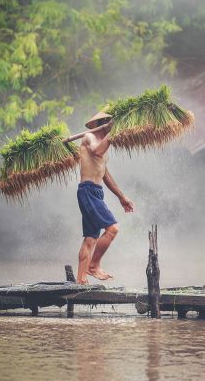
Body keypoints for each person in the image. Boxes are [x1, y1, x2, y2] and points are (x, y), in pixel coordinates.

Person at [75, 111, 135, 284]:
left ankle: (81, 279)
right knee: (113, 228)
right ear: (104, 123)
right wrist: (112, 132)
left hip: (96, 192)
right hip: (87, 190)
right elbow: (96, 152)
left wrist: (122, 197)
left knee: (90, 239)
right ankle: (93, 266)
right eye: (111, 124)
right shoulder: (89, 138)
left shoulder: (103, 146)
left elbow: (105, 175)